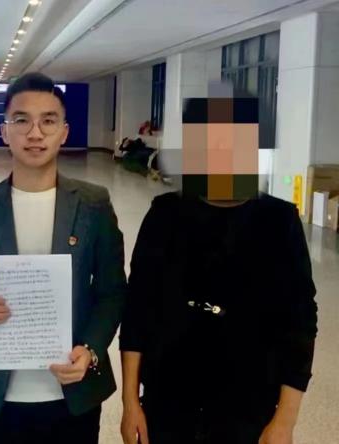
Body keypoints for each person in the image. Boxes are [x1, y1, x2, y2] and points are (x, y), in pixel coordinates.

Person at [120, 85, 318, 444]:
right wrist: (130, 402)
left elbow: (300, 322)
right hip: (169, 396)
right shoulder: (166, 214)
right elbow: (137, 309)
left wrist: (285, 421)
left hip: (249, 402)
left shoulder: (279, 220)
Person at [0, 72, 127, 444]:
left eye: (48, 121)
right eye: (22, 121)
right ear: (4, 132)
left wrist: (91, 350)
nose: (35, 133)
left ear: (64, 132)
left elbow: (112, 291)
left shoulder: (93, 204)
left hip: (73, 394)